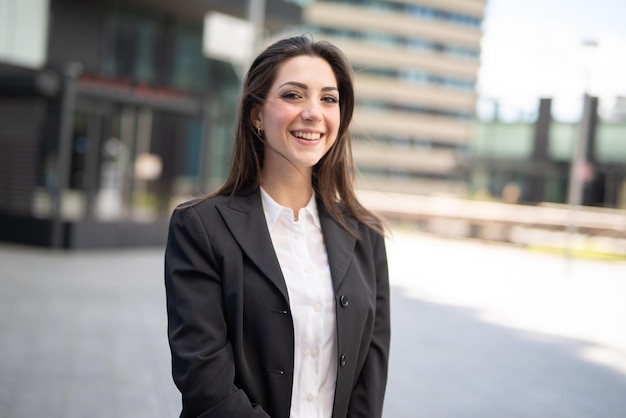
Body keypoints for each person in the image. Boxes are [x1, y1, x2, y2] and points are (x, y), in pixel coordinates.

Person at [164, 35, 390, 418]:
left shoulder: (365, 236)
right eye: (293, 95)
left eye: (329, 98)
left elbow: (370, 381)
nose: (314, 112)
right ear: (256, 114)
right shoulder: (200, 228)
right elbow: (205, 382)